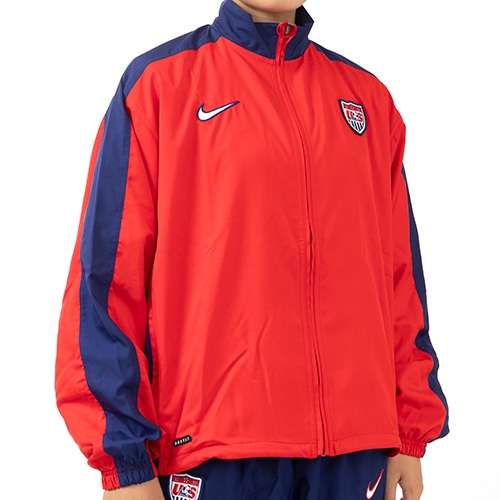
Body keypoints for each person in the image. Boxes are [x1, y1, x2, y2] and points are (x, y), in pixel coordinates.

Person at [55, 1, 449, 499]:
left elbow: (400, 280)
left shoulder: (366, 99)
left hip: (355, 453)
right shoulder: (160, 85)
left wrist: (410, 430)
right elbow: (107, 282)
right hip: (214, 452)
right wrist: (124, 460)